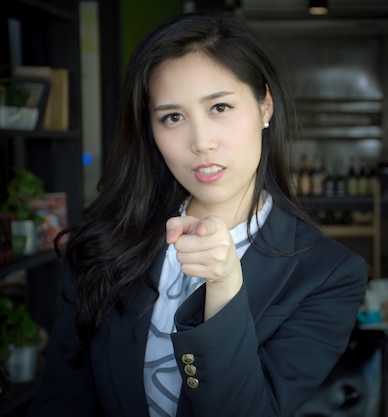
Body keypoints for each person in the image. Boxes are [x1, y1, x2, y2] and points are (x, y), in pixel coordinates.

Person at [26, 11, 367, 417]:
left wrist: (223, 289)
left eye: (219, 107)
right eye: (173, 117)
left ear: (265, 106)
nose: (201, 142)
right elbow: (62, 403)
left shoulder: (327, 275)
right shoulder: (104, 243)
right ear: (151, 131)